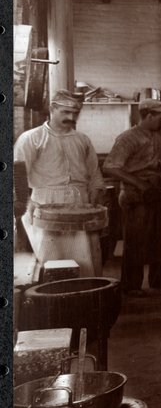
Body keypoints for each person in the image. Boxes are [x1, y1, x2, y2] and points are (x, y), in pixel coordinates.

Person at [14, 89, 107, 276]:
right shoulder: (32, 138)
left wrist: (96, 194)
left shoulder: (82, 139)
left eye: (75, 113)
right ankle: (57, 298)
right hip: (45, 200)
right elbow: (18, 172)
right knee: (52, 258)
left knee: (85, 256)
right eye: (65, 112)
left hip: (80, 202)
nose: (71, 117)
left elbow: (94, 171)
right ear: (52, 109)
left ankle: (84, 297)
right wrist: (25, 202)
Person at [104, 99, 161, 295]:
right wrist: (140, 184)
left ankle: (160, 280)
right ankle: (131, 286)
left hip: (159, 194)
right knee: (136, 242)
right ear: (148, 116)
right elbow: (110, 166)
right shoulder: (128, 138)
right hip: (136, 197)